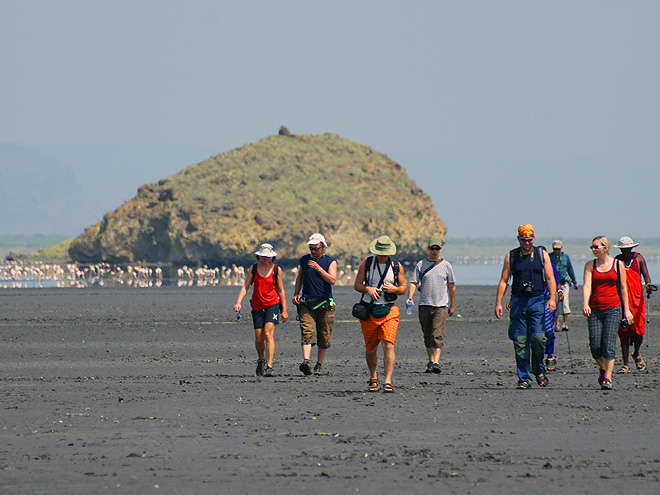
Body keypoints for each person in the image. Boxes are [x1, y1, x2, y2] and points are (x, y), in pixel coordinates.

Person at [495, 225, 556, 389]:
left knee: (538, 338)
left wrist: (552, 299)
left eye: (529, 240)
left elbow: (550, 278)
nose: (527, 243)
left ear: (534, 239)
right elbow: (504, 280)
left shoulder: (541, 255)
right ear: (518, 239)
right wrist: (498, 303)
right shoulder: (512, 256)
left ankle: (538, 369)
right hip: (518, 302)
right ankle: (524, 378)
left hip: (537, 300)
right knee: (520, 342)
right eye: (524, 240)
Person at [354, 235, 407, 393]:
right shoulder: (367, 264)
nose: (383, 255)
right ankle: (373, 376)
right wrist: (367, 289)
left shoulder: (396, 266)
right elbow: (357, 284)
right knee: (371, 348)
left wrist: (394, 290)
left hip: (389, 310)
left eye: (385, 252)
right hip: (369, 310)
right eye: (380, 252)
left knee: (388, 345)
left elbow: (403, 287)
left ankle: (388, 381)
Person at [582, 236, 634, 390]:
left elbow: (624, 288)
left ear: (605, 248)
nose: (593, 250)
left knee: (608, 345)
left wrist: (626, 310)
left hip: (613, 309)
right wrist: (585, 304)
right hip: (595, 309)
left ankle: (608, 378)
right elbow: (586, 287)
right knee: (595, 346)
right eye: (592, 247)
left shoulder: (618, 265)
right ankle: (603, 369)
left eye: (596, 247)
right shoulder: (590, 265)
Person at [233, 243, 288, 377]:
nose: (265, 258)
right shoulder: (254, 268)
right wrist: (238, 302)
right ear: (259, 256)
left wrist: (284, 310)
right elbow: (246, 286)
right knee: (259, 338)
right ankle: (261, 359)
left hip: (272, 304)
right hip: (257, 305)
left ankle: (269, 366)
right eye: (263, 256)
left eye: (267, 256)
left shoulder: (276, 270)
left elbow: (281, 290)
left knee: (268, 334)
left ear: (272, 257)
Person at [407, 237, 456, 374]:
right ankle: (430, 361)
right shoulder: (421, 264)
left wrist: (452, 304)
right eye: (432, 248)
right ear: (429, 249)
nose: (435, 251)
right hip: (424, 304)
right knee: (427, 334)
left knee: (437, 335)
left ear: (440, 249)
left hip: (441, 305)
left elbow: (452, 286)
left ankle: (436, 362)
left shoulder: (446, 265)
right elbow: (413, 282)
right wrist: (410, 297)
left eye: (437, 248)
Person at [292, 233, 338, 376]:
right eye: (311, 248)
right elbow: (300, 277)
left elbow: (332, 280)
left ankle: (319, 364)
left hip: (325, 304)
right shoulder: (304, 260)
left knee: (324, 336)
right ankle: (306, 361)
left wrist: (318, 268)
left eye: (316, 248)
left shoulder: (330, 262)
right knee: (307, 331)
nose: (313, 251)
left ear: (323, 247)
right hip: (307, 302)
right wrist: (296, 294)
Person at [614, 236, 654, 374]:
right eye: (623, 249)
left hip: (637, 299)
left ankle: (636, 353)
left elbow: (646, 276)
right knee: (623, 330)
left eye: (627, 248)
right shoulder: (617, 260)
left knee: (639, 329)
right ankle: (625, 364)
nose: (625, 251)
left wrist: (648, 285)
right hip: (622, 300)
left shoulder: (638, 258)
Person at [549, 240, 579, 331]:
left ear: (561, 248)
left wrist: (575, 282)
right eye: (555, 249)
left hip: (564, 282)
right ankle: (556, 323)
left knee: (564, 302)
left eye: (558, 249)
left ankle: (565, 323)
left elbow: (570, 269)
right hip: (553, 283)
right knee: (555, 302)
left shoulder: (565, 257)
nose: (556, 251)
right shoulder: (549, 257)